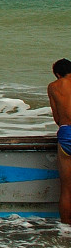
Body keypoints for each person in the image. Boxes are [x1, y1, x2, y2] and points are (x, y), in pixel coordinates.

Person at [47, 57, 71, 224]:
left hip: (66, 133)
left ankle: (66, 230)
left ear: (57, 74)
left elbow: (57, 118)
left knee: (67, 188)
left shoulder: (53, 87)